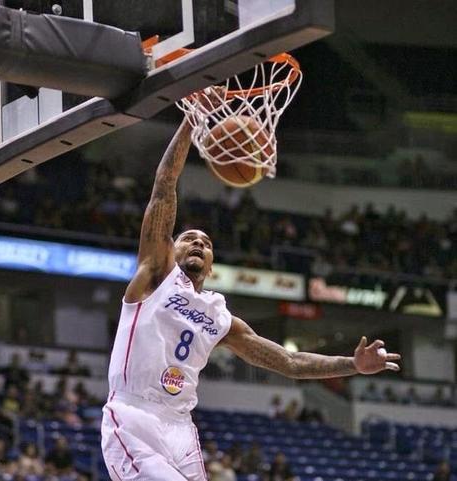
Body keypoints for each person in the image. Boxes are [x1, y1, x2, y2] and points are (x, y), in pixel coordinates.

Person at [101, 110, 401, 481]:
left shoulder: (220, 318)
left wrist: (352, 365)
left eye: (207, 243)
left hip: (180, 426)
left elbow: (289, 363)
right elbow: (165, 183)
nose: (198, 242)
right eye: (188, 238)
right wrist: (192, 121)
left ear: (211, 266)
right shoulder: (154, 275)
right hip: (134, 416)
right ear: (167, 249)